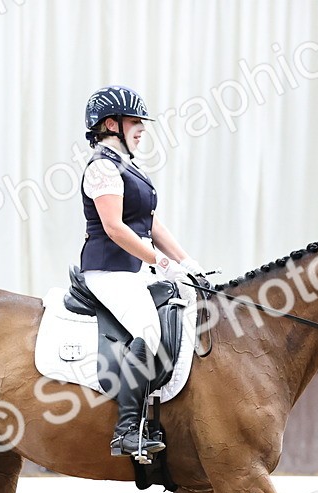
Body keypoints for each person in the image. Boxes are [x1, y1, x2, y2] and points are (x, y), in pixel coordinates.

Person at [80, 85, 201, 459]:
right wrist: (160, 263)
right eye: (134, 122)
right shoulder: (102, 168)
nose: (142, 128)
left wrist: (186, 263)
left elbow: (151, 224)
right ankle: (127, 430)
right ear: (110, 124)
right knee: (148, 331)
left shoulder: (127, 167)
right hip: (107, 270)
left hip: (132, 272)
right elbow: (115, 227)